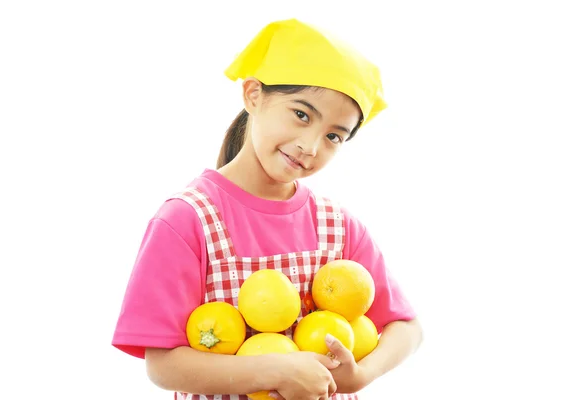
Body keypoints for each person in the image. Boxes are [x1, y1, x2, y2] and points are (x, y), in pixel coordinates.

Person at [112, 18, 423, 400]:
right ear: (254, 95)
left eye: (333, 136)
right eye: (302, 115)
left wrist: (361, 375)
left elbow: (405, 327)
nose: (311, 146)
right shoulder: (188, 219)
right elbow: (163, 365)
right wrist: (273, 371)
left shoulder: (337, 225)